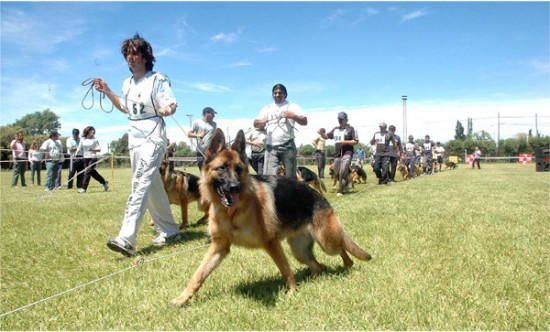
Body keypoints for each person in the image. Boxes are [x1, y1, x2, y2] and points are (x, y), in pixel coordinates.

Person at [94, 33, 182, 257]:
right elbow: (124, 107)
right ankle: (170, 231)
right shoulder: (126, 83)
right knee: (151, 184)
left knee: (140, 182)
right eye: (127, 54)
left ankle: (127, 238)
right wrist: (107, 90)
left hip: (153, 134)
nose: (130, 57)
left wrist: (167, 109)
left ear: (145, 57)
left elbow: (171, 103)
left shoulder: (157, 79)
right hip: (134, 135)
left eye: (135, 53)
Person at [254, 83, 307, 178]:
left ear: (285, 94)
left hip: (288, 146)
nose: (277, 95)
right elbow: (255, 123)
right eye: (275, 93)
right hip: (271, 148)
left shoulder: (292, 106)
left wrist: (293, 116)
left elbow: (304, 121)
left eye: (280, 93)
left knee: (290, 178)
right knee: (269, 178)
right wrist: (261, 122)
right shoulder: (267, 108)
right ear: (272, 94)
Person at [327, 112, 358, 196]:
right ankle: (346, 182)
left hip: (347, 152)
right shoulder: (335, 129)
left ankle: (340, 189)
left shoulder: (351, 129)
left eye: (341, 119)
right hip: (337, 154)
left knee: (343, 169)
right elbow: (326, 136)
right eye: (338, 119)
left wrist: (344, 142)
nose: (339, 121)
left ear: (346, 120)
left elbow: (355, 141)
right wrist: (321, 133)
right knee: (336, 173)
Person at [75, 126, 109, 194]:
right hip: (86, 158)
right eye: (91, 130)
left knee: (87, 172)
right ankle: (104, 182)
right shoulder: (83, 139)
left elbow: (99, 149)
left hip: (93, 157)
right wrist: (76, 153)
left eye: (94, 131)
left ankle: (84, 188)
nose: (93, 132)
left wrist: (92, 149)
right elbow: (79, 148)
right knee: (92, 173)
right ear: (87, 131)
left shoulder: (95, 140)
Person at [188, 107, 217, 172]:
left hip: (211, 152)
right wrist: (198, 135)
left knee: (212, 172)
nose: (214, 116)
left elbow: (214, 136)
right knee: (203, 172)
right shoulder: (197, 122)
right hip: (200, 152)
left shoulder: (214, 124)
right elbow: (189, 134)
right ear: (207, 114)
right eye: (213, 114)